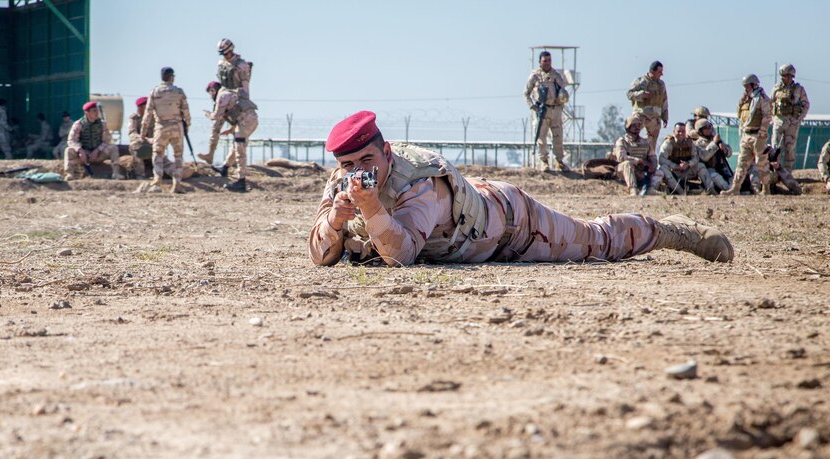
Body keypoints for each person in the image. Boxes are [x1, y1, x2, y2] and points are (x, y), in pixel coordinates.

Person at [308, 111, 732, 268]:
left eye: (367, 161)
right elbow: (318, 254)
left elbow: (401, 255)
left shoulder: (418, 180)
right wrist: (336, 218)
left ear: (385, 151)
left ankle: (672, 231)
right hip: (467, 224)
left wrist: (369, 209)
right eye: (348, 165)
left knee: (594, 241)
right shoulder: (343, 181)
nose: (359, 173)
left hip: (511, 222)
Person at [198, 81, 258, 192]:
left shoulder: (222, 95)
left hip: (245, 121)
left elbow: (217, 116)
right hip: (248, 120)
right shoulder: (229, 93)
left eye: (210, 93)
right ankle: (225, 168)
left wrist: (209, 115)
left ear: (213, 90)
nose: (211, 96)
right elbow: (237, 110)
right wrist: (231, 129)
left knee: (240, 149)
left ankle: (241, 181)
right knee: (236, 146)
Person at [722, 74, 772, 196]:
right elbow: (740, 114)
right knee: (742, 163)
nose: (745, 89)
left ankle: (766, 188)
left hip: (758, 135)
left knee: (761, 163)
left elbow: (767, 116)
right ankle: (735, 188)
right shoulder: (745, 99)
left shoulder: (762, 98)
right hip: (746, 135)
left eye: (747, 86)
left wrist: (762, 132)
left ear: (754, 85)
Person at [142, 66, 190, 192]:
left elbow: (148, 113)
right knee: (178, 155)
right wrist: (188, 125)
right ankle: (177, 184)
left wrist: (143, 131)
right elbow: (186, 111)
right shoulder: (179, 92)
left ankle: (157, 179)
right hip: (176, 126)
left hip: (161, 126)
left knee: (157, 154)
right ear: (171, 77)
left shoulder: (154, 92)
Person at [523, 50, 569, 171]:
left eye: (549, 60)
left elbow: (563, 91)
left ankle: (559, 161)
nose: (547, 63)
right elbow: (526, 94)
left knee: (558, 136)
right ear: (540, 62)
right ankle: (544, 162)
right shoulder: (535, 76)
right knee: (541, 138)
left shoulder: (556, 75)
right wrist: (532, 106)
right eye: (545, 61)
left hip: (555, 109)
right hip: (541, 110)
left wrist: (562, 101)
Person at [64, 101, 122, 180]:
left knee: (113, 147)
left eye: (97, 110)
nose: (97, 112)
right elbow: (71, 140)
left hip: (98, 155)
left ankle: (116, 173)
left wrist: (98, 150)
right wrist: (80, 150)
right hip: (83, 156)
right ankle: (69, 174)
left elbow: (107, 140)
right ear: (87, 113)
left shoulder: (102, 124)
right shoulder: (78, 124)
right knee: (68, 150)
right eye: (94, 110)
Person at [770, 64, 810, 172]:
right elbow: (770, 102)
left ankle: (787, 173)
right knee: (775, 146)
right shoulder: (776, 88)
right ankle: (775, 171)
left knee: (790, 148)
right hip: (778, 120)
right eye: (782, 75)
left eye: (785, 75)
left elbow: (806, 104)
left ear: (791, 76)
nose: (783, 78)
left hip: (792, 122)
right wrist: (772, 117)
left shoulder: (799, 89)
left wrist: (799, 119)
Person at [613, 114, 662, 196]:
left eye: (639, 125)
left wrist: (652, 166)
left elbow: (653, 156)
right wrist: (638, 161)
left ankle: (649, 189)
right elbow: (621, 157)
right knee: (627, 164)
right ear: (628, 127)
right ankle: (633, 189)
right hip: (625, 170)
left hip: (641, 171)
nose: (637, 127)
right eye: (634, 125)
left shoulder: (645, 142)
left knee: (660, 172)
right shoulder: (622, 141)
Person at [658, 123, 712, 194]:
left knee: (700, 165)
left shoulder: (690, 143)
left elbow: (696, 158)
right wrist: (675, 166)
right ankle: (680, 191)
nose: (681, 133)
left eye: (683, 131)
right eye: (678, 131)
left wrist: (688, 164)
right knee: (663, 168)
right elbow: (661, 160)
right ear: (674, 132)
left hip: (686, 170)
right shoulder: (668, 143)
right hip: (674, 172)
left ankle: (710, 190)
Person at [627, 61, 668, 151]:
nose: (661, 74)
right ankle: (628, 152)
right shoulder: (641, 81)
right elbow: (629, 94)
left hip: (655, 116)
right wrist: (642, 94)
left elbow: (664, 101)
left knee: (652, 142)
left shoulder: (661, 84)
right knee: (632, 135)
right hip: (641, 114)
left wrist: (665, 117)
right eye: (659, 72)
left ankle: (650, 159)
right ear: (652, 71)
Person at [128, 96, 172, 179]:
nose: (139, 109)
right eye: (138, 107)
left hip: (154, 146)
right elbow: (132, 133)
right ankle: (140, 175)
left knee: (168, 165)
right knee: (135, 145)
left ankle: (165, 174)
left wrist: (155, 140)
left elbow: (162, 133)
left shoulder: (157, 118)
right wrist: (144, 139)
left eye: (142, 107)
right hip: (141, 145)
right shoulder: (134, 118)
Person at [692, 119, 731, 194]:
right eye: (706, 128)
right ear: (700, 131)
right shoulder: (698, 144)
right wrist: (714, 143)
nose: (709, 129)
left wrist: (724, 149)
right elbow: (704, 157)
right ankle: (728, 191)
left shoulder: (716, 139)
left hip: (722, 168)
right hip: (709, 170)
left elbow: (729, 153)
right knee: (717, 178)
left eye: (710, 127)